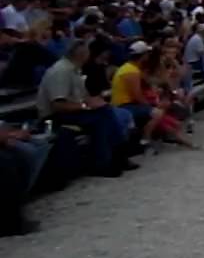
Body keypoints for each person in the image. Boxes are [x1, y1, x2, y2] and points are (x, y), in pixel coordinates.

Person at [35, 40, 137, 177]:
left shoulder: (74, 70)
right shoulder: (60, 71)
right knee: (100, 118)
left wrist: (94, 102)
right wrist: (86, 106)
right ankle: (105, 162)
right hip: (53, 117)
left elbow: (82, 96)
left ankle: (116, 157)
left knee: (106, 111)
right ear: (82, 54)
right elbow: (58, 105)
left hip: (73, 111)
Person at [111, 41, 163, 149]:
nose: (148, 56)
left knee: (156, 107)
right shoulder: (131, 71)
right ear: (143, 55)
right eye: (147, 54)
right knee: (157, 113)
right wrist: (150, 106)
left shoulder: (130, 68)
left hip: (128, 104)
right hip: (123, 106)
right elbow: (137, 95)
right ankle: (145, 139)